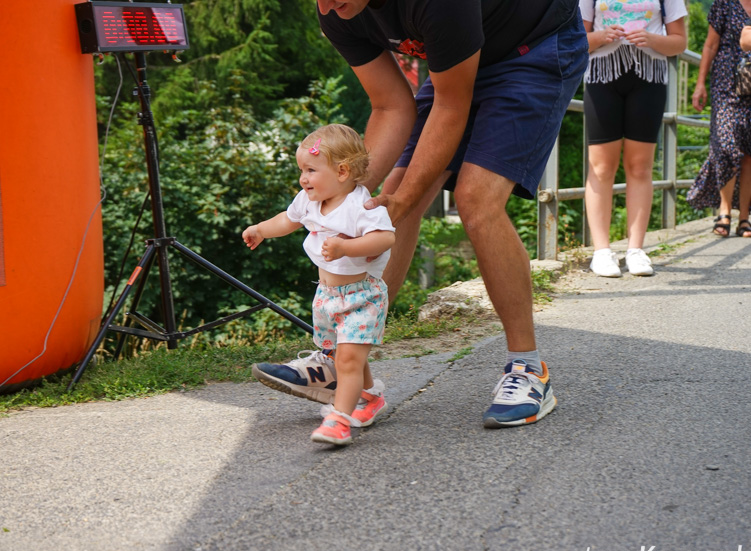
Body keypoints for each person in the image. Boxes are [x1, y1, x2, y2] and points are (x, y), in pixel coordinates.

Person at [252, 0, 589, 429]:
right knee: (384, 203)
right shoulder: (335, 10)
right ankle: (342, 360)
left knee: (475, 199)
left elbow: (451, 105)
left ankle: (527, 369)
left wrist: (406, 197)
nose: (327, 4)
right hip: (458, 65)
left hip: (533, 49)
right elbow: (391, 106)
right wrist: (348, 197)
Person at [243, 124, 395, 445]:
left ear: (342, 171)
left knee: (347, 361)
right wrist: (260, 229)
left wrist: (345, 247)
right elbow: (288, 219)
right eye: (302, 170)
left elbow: (385, 237)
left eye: (310, 170)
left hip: (361, 297)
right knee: (344, 353)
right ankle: (369, 398)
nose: (303, 178)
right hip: (326, 295)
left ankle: (339, 420)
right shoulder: (309, 201)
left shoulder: (360, 206)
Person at [581, 0, 687, 277]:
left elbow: (679, 43)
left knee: (640, 166)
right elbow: (577, 40)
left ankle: (635, 250)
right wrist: (601, 36)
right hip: (602, 76)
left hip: (649, 78)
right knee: (601, 166)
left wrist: (653, 39)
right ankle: (602, 252)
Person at [687, 2, 751, 237]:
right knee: (726, 146)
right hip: (726, 83)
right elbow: (711, 44)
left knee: (748, 152)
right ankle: (724, 211)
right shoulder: (724, 3)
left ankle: (744, 217)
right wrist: (700, 83)